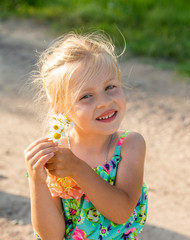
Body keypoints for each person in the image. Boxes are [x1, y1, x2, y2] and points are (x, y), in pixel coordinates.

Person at [24, 32, 148, 240]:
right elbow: (51, 236)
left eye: (110, 87)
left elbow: (121, 212)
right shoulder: (56, 156)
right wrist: (36, 180)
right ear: (61, 109)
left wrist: (78, 169)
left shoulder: (129, 145)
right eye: (86, 96)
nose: (104, 102)